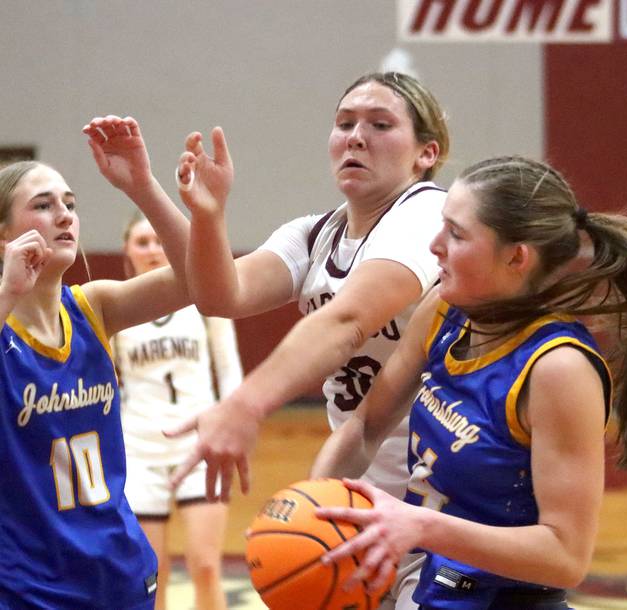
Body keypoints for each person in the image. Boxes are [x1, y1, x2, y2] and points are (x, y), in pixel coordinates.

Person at [309, 155, 627, 610]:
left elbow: (566, 556)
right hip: (436, 589)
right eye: (442, 226)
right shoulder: (443, 309)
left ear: (516, 257)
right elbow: (365, 427)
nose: (434, 244)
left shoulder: (557, 368)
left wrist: (419, 526)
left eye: (457, 234)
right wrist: (312, 509)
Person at [168, 71, 450, 610]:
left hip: (439, 496)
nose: (355, 137)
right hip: (356, 478)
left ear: (425, 153)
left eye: (380, 124)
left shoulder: (427, 214)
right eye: (344, 124)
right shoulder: (317, 233)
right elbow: (221, 295)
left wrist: (246, 405)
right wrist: (209, 216)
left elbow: (347, 322)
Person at [0, 117, 193, 609]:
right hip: (32, 586)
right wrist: (8, 290)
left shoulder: (92, 306)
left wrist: (143, 188)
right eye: (42, 206)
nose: (64, 215)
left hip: (119, 570)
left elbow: (200, 277)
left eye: (70, 204)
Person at [115, 210, 243, 610]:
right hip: (139, 450)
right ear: (127, 251)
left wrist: (233, 428)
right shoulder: (114, 308)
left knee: (205, 566)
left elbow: (228, 369)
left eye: (158, 239)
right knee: (153, 575)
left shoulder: (203, 300)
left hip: (198, 446)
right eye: (141, 242)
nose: (152, 249)